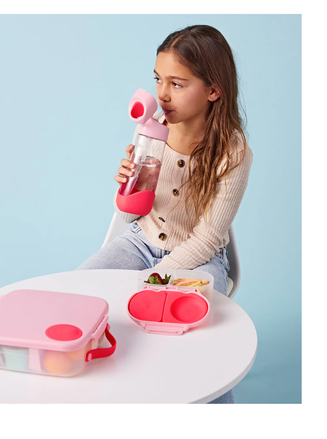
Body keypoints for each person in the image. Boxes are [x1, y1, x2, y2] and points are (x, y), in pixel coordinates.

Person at [76, 24, 253, 404]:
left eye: (177, 83)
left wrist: (153, 279)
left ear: (213, 90)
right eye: (158, 79)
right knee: (82, 290)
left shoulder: (233, 153)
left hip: (201, 258)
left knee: (200, 328)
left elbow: (207, 239)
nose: (162, 94)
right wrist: (128, 187)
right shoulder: (150, 131)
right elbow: (128, 218)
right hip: (141, 242)